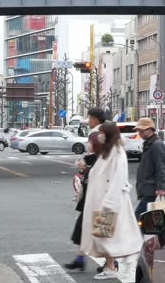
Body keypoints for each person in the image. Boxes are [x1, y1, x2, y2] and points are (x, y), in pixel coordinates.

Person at [81, 122, 143, 280]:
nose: (100, 135)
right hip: (103, 201)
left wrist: (108, 203)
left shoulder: (117, 153)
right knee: (105, 237)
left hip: (110, 203)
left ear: (108, 134)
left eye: (102, 132)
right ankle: (111, 266)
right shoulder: (107, 151)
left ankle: (118, 265)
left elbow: (118, 179)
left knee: (108, 237)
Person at [65, 108, 109, 272]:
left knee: (100, 226)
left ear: (96, 119)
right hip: (94, 190)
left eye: (90, 117)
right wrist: (84, 162)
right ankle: (80, 258)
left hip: (99, 192)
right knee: (85, 225)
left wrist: (86, 166)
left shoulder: (98, 135)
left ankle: (111, 262)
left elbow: (100, 163)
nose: (88, 120)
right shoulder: (99, 134)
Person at [134, 118, 165, 219]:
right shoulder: (149, 144)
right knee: (146, 219)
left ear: (149, 129)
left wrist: (161, 188)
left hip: (152, 189)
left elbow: (161, 167)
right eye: (139, 131)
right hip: (149, 188)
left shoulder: (156, 145)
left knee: (139, 217)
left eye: (141, 131)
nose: (139, 133)